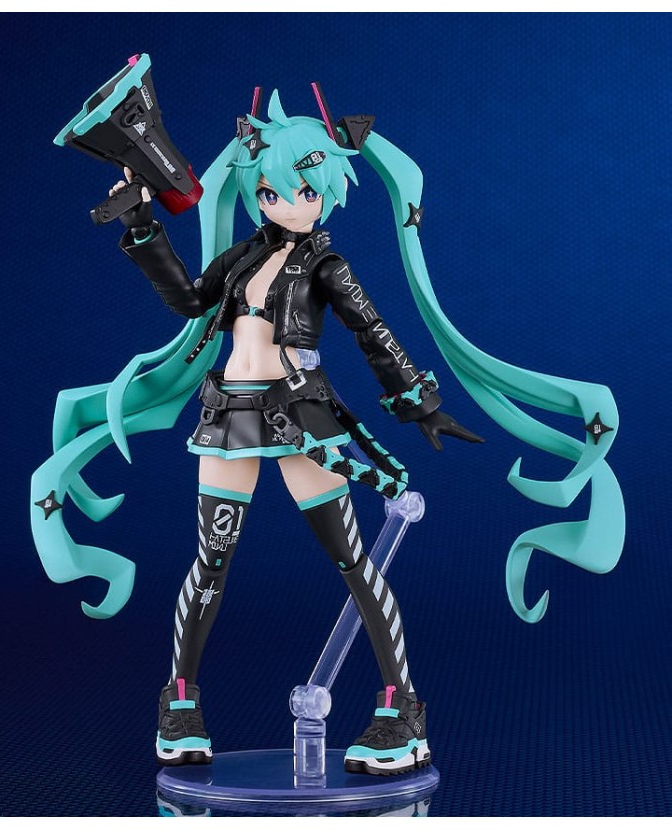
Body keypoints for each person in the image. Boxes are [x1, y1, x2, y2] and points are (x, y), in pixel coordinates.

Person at [31, 87, 624, 777]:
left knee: (351, 562)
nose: (286, 203)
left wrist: (418, 400)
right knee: (210, 562)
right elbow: (190, 302)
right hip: (228, 415)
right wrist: (142, 226)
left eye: (303, 191)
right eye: (270, 192)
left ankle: (401, 708)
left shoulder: (326, 267)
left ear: (326, 193)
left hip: (300, 418)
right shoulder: (241, 259)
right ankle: (180, 701)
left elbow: (373, 331)